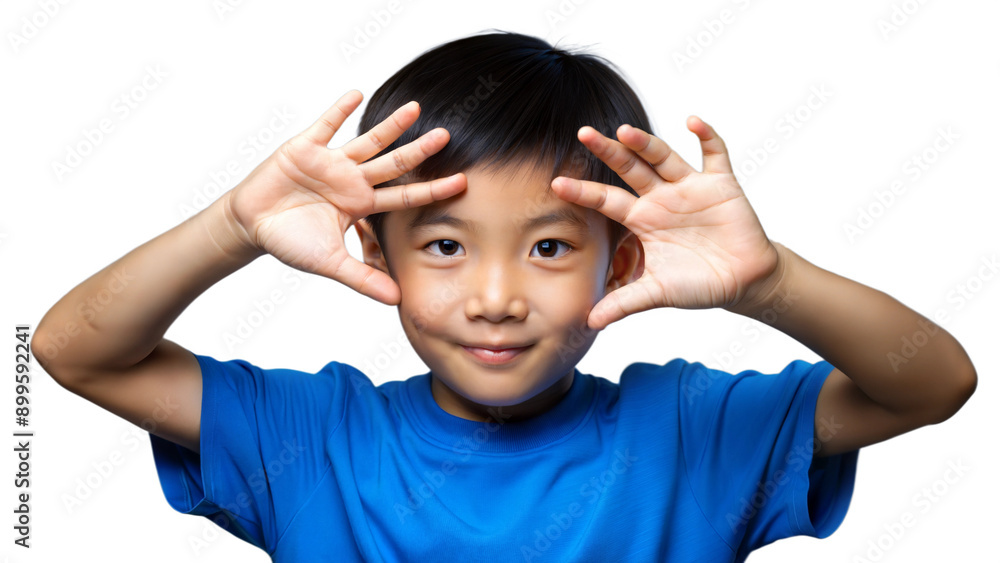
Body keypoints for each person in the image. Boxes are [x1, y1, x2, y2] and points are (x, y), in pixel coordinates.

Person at [33, 30, 977, 562]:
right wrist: (232, 227)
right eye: (445, 245)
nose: (494, 296)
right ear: (374, 249)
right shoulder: (311, 435)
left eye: (550, 247)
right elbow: (74, 350)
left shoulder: (694, 430)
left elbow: (932, 383)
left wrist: (770, 284)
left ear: (622, 263)